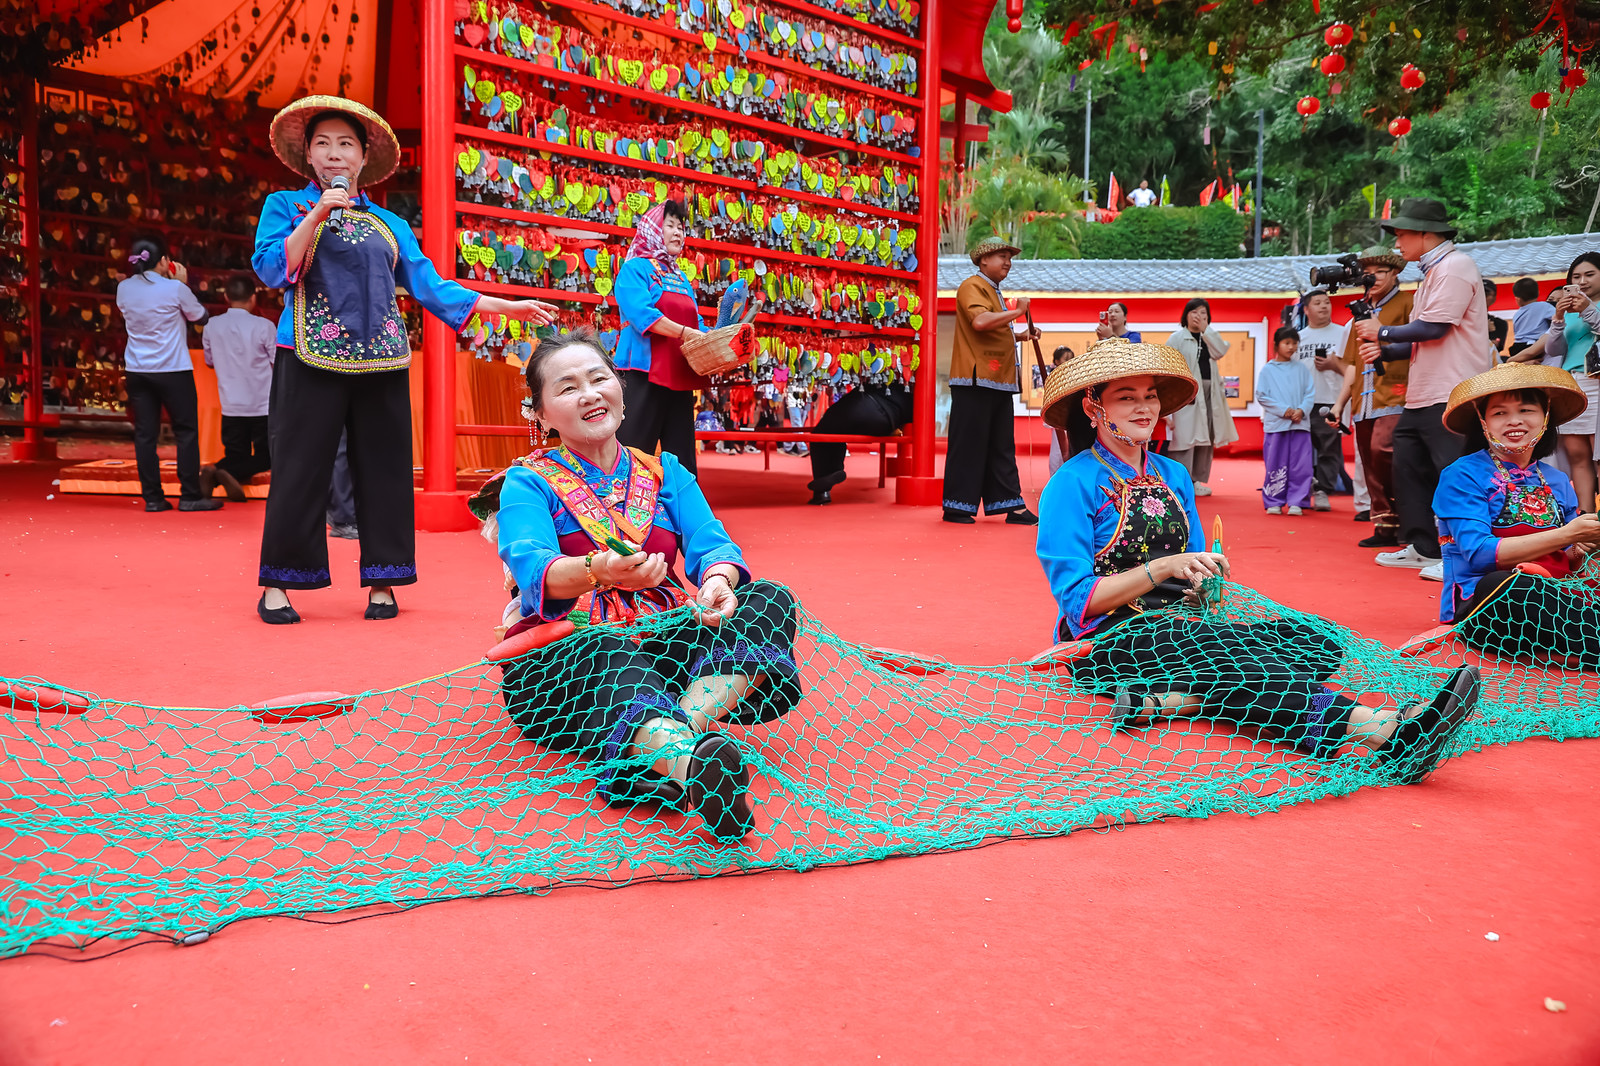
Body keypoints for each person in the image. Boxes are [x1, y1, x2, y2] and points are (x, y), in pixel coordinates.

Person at [1034, 337, 1478, 783]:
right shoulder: (1070, 485)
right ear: (1093, 408)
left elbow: (1198, 562)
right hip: (1110, 639)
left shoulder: (1174, 474)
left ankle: (1177, 699)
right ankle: (1385, 730)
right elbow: (1079, 601)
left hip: (1185, 623)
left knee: (1313, 641)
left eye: (1150, 396)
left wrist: (1206, 583)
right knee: (1233, 659)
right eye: (1126, 398)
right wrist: (1164, 568)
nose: (1144, 408)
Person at [475, 329, 800, 841]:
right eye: (566, 388)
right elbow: (532, 567)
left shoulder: (664, 470)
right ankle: (690, 762)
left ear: (620, 390)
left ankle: (674, 745)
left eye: (599, 378)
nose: (589, 394)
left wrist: (717, 582)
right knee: (602, 645)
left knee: (770, 600)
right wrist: (599, 571)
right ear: (538, 414)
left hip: (664, 643)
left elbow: (713, 546)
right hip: (568, 661)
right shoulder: (527, 482)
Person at [252, 95, 555, 625]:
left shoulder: (389, 222)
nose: (334, 155)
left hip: (382, 360)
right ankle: (280, 582)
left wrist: (503, 304)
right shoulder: (284, 206)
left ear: (363, 157)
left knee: (386, 472)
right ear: (308, 156)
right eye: (322, 144)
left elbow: (430, 285)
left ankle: (384, 581)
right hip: (306, 352)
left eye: (346, 144)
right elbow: (275, 269)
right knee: (300, 469)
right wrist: (320, 210)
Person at [1353, 198, 1492, 580]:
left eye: (1402, 234)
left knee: (1452, 472)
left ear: (1426, 234)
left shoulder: (1455, 266)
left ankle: (1462, 553)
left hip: (1452, 389)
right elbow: (1420, 340)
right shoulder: (1433, 272)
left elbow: (1435, 328)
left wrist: (1381, 332)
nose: (1397, 243)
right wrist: (1385, 346)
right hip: (1423, 393)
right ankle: (1423, 545)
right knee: (1409, 467)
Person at [1432, 365, 1600, 666]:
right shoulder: (1462, 475)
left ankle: (1576, 645)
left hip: (1557, 594)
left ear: (1545, 417)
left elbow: (1569, 558)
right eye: (1499, 413)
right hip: (1490, 601)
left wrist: (1586, 546)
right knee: (1512, 585)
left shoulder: (1557, 479)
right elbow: (1480, 555)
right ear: (1482, 421)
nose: (1514, 421)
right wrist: (1569, 534)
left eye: (1526, 409)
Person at [116, 235, 220, 513]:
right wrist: (182, 284)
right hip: (172, 368)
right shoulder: (175, 289)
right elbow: (201, 316)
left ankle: (152, 498)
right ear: (163, 261)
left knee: (145, 435)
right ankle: (189, 496)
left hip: (137, 369)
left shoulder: (124, 288)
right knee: (185, 431)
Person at [942, 235, 1040, 525]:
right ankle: (957, 505)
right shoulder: (972, 286)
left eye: (1009, 258)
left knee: (1001, 445)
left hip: (995, 378)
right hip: (975, 378)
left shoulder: (992, 291)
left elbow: (995, 330)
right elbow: (980, 323)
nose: (1008, 263)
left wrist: (1022, 335)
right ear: (983, 260)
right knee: (970, 444)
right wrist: (1019, 312)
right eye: (1002, 257)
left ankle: (1010, 504)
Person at [1329, 247, 1414, 548]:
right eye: (1369, 272)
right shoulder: (1359, 311)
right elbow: (1352, 364)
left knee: (1384, 451)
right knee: (1369, 462)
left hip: (1395, 393)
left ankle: (1408, 519)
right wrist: (1339, 405)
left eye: (1381, 271)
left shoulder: (1408, 303)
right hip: (1362, 400)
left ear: (1395, 274)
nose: (1373, 277)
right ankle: (1385, 525)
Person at [614, 201, 707, 473]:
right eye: (670, 225)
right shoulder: (635, 269)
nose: (678, 232)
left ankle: (682, 514)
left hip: (679, 374)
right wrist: (685, 332)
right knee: (633, 451)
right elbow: (643, 315)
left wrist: (718, 337)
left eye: (681, 227)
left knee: (682, 461)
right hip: (642, 374)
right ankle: (620, 509)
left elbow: (696, 322)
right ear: (654, 229)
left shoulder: (679, 277)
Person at [1507, 252, 1600, 513]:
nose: (1582, 281)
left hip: (1597, 382)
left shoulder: (1587, 307)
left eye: (1590, 275)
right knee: (1577, 455)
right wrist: (1559, 318)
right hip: (1572, 384)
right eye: (1576, 277)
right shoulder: (1569, 312)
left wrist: (1588, 310)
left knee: (1598, 456)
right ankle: (1586, 520)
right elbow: (1555, 349)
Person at [199, 275, 277, 501]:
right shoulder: (264, 326)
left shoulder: (212, 326)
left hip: (231, 404)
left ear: (226, 297)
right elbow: (276, 362)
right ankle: (224, 473)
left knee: (235, 453)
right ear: (253, 298)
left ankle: (216, 472)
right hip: (262, 404)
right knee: (266, 458)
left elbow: (209, 361)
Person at [1164, 297, 1237, 496]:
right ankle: (1181, 481)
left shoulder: (1209, 338)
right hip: (1187, 395)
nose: (1199, 316)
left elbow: (1221, 351)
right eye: (1194, 312)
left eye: (1203, 313)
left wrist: (1207, 330)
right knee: (1185, 438)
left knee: (1206, 439)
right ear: (1185, 315)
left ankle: (1197, 480)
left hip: (1210, 395)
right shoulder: (1177, 338)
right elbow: (1169, 368)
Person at [806, 379, 914, 504]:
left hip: (864, 404)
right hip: (886, 423)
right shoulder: (911, 388)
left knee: (823, 432)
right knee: (837, 428)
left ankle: (824, 486)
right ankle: (832, 471)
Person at [1294, 289, 1350, 510]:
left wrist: (1332, 365)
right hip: (1304, 402)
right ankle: (1302, 489)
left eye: (1327, 302)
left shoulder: (1342, 334)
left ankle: (1323, 491)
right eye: (1317, 303)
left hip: (1332, 400)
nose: (1324, 306)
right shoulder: (1298, 338)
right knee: (1301, 449)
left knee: (1329, 448)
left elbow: (1352, 367)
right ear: (1306, 309)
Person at [1256, 327, 1315, 515]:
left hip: (1300, 424)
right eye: (1287, 343)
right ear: (1277, 345)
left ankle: (1297, 501)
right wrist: (1285, 411)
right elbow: (1262, 396)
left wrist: (1301, 411)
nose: (1291, 347)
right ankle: (1274, 499)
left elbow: (1310, 393)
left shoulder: (1302, 369)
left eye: (1294, 343)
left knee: (1301, 464)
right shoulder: (1268, 369)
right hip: (1276, 425)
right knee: (1275, 463)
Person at [1507, 276, 1554, 361]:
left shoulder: (1517, 314)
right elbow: (1558, 317)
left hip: (1517, 347)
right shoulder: (1544, 306)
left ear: (1518, 299)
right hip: (1533, 346)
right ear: (1538, 292)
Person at [1046, 344, 1075, 476]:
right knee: (1058, 448)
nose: (1069, 362)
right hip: (1059, 415)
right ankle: (1055, 475)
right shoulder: (1053, 378)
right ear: (1057, 362)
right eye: (1065, 359)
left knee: (1072, 446)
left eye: (1071, 358)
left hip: (1072, 416)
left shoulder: (1075, 377)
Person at [1484, 280, 1510, 361]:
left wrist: (1492, 332)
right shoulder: (1462, 321)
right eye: (1478, 293)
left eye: (1486, 294)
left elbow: (1496, 346)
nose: (1481, 297)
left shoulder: (1500, 324)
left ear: (1494, 298)